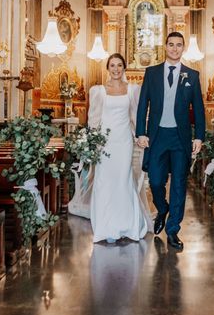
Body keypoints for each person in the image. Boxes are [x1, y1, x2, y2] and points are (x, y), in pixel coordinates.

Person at [71, 53, 152, 243]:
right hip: (104, 143)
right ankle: (105, 227)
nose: (116, 69)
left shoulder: (132, 89)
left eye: (119, 65)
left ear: (124, 68)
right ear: (108, 68)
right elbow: (93, 119)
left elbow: (135, 117)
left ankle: (128, 225)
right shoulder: (98, 90)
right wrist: (92, 141)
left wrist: (140, 135)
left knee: (123, 180)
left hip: (124, 142)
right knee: (104, 181)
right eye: (112, 66)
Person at [136, 32, 206, 251]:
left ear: (182, 48)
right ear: (165, 47)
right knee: (156, 181)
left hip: (180, 137)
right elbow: (142, 105)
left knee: (178, 184)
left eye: (179, 45)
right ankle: (162, 208)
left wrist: (199, 137)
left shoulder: (192, 76)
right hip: (157, 136)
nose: (175, 48)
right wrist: (141, 132)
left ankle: (173, 230)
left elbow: (200, 110)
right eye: (171, 44)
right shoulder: (152, 73)